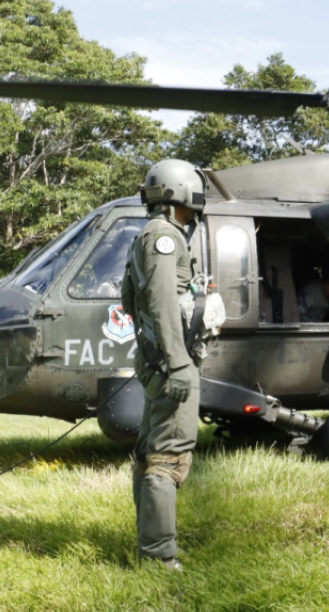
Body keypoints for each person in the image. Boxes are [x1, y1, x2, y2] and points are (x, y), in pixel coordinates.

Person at [120, 158, 208, 569]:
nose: (194, 212)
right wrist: (176, 362)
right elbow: (159, 300)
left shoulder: (146, 235)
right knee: (167, 458)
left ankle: (150, 545)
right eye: (192, 202)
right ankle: (157, 557)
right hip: (170, 362)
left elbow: (129, 299)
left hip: (155, 358)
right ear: (179, 195)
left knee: (151, 453)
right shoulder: (165, 237)